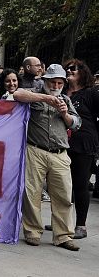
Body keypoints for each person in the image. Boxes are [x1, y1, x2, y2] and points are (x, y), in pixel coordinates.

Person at [12, 64, 81, 251]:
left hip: (60, 153)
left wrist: (65, 113)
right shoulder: (35, 95)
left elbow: (76, 124)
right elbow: (17, 95)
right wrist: (46, 99)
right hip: (35, 149)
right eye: (52, 81)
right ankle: (33, 232)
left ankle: (63, 235)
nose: (56, 85)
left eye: (59, 82)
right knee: (31, 193)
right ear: (45, 81)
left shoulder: (66, 100)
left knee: (64, 195)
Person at [63, 59, 99, 239]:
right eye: (67, 69)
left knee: (80, 185)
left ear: (82, 72)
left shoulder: (91, 93)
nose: (69, 71)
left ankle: (81, 225)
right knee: (63, 185)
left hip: (84, 144)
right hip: (62, 143)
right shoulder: (61, 91)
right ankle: (62, 222)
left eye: (73, 69)